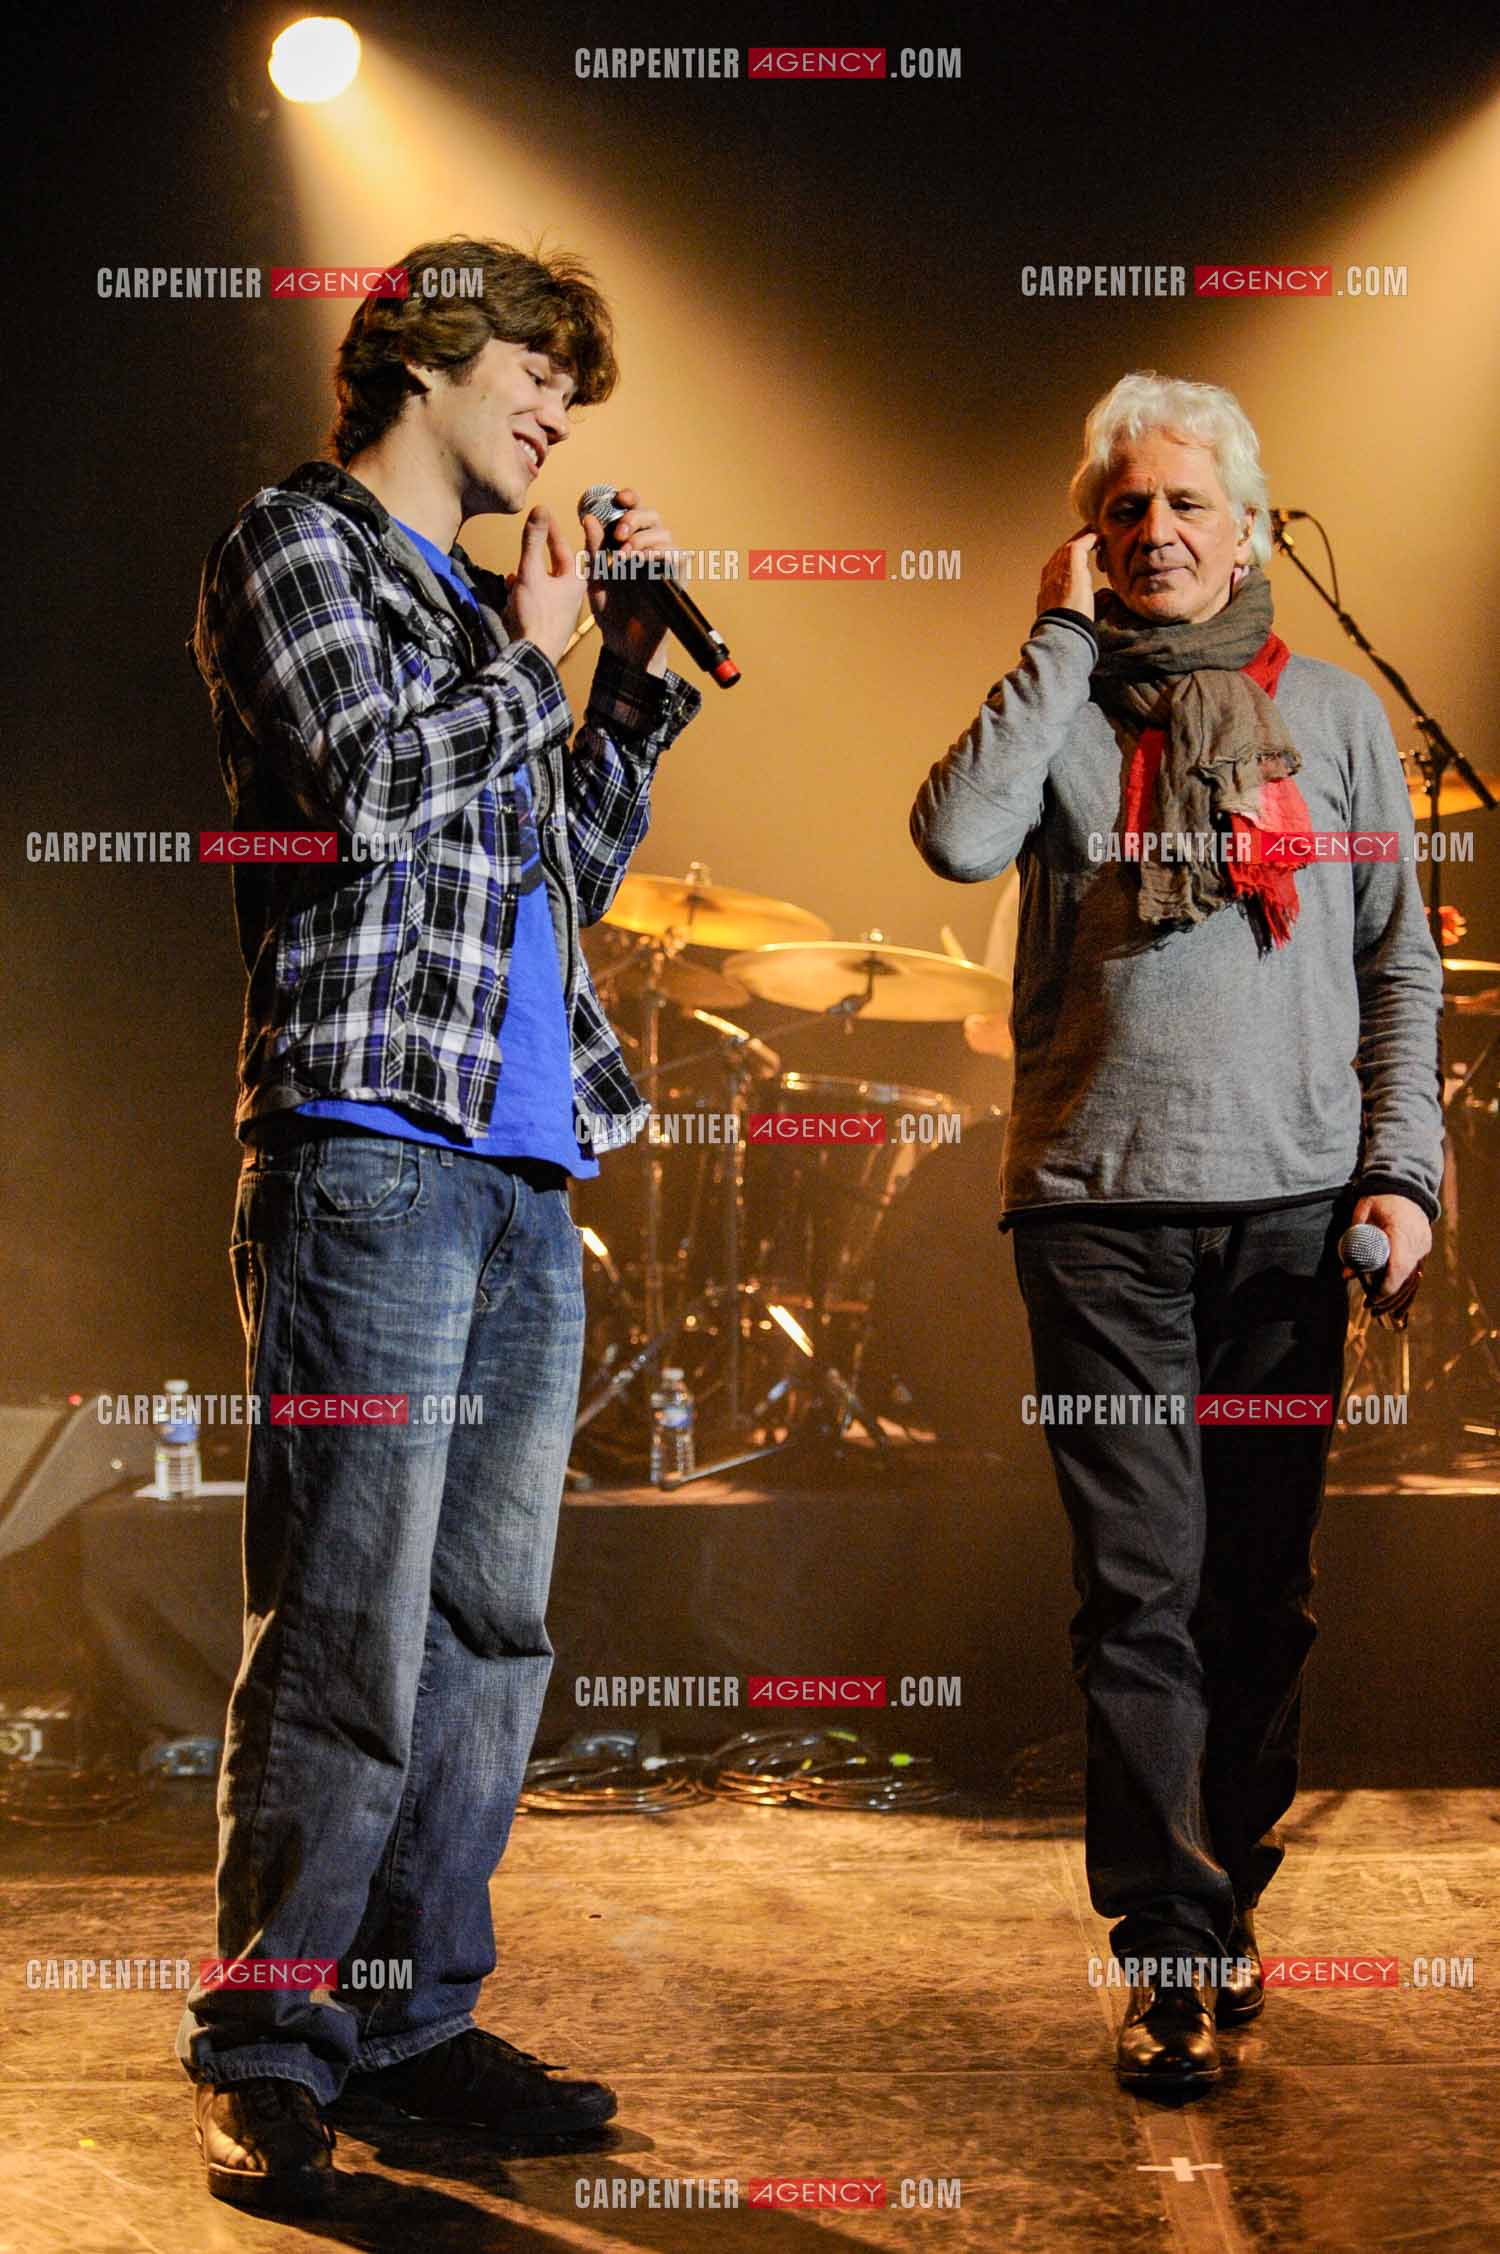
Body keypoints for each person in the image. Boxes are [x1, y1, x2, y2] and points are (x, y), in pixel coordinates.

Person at [180, 235, 700, 2207]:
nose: (563, 407)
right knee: (344, 1623)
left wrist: (625, 686)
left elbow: (543, 866)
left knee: (486, 1629)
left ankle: (402, 2025)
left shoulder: (498, 614)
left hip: (521, 1171)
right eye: (536, 363)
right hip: (367, 1147)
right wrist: (538, 648)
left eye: (580, 376)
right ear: (415, 356)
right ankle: (267, 2030)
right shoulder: (293, 547)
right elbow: (376, 779)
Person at [911, 371, 1443, 2094]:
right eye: (1124, 508)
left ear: (1249, 529)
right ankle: (1166, 1945)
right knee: (1137, 1591)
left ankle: (1231, 1894)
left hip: (1292, 1220)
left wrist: (1404, 1173)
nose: (1155, 533)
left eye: (1185, 505)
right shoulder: (1055, 701)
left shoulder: (1343, 720)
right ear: (1089, 534)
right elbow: (954, 835)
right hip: (1096, 1216)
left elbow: (1397, 963)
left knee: (1255, 1598)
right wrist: (1053, 648)